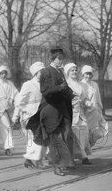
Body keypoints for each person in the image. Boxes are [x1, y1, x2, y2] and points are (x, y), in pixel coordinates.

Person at [37, 46, 75, 176]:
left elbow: (64, 88)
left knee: (64, 137)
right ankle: (57, 166)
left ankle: (63, 163)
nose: (61, 61)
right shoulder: (47, 72)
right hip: (51, 111)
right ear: (53, 59)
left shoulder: (60, 72)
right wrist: (60, 88)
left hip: (61, 110)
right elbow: (45, 92)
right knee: (56, 140)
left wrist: (70, 93)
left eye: (62, 59)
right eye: (59, 58)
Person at [13, 62, 49, 169]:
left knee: (38, 139)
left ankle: (31, 159)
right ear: (35, 73)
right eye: (40, 72)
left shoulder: (45, 84)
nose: (42, 74)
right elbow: (19, 101)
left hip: (42, 115)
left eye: (44, 71)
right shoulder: (28, 85)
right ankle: (32, 159)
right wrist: (16, 115)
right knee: (36, 137)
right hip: (29, 115)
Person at [64, 62, 92, 165]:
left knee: (84, 132)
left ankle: (80, 154)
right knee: (74, 134)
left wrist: (87, 102)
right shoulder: (66, 84)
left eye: (75, 70)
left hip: (80, 112)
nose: (74, 72)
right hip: (70, 112)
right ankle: (83, 157)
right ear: (67, 72)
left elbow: (85, 98)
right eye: (72, 70)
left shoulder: (81, 84)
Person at [81, 65, 108, 150]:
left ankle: (87, 148)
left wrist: (100, 111)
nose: (88, 76)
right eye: (86, 74)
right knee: (85, 133)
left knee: (98, 134)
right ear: (83, 74)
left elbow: (98, 98)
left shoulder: (95, 85)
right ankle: (83, 151)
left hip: (95, 112)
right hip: (86, 113)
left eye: (90, 74)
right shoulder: (80, 84)